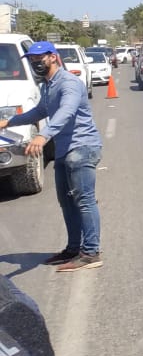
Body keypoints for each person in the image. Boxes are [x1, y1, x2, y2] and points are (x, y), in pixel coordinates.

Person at [0, 41, 104, 271]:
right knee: (67, 202)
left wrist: (42, 136)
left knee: (84, 201)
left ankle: (91, 252)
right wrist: (9, 121)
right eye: (33, 60)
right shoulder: (47, 85)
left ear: (54, 57)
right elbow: (40, 111)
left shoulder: (69, 83)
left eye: (41, 58)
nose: (37, 62)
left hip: (82, 148)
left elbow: (66, 111)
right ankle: (74, 248)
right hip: (65, 150)